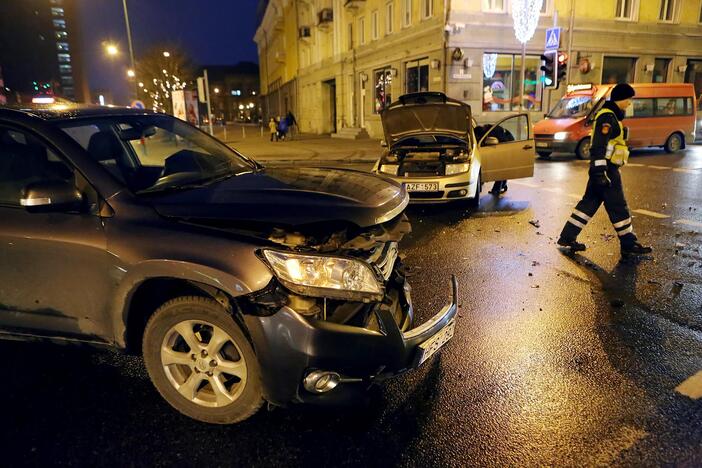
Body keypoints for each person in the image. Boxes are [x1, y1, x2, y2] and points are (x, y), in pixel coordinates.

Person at [557, 83, 652, 257]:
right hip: (606, 169)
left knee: (588, 205)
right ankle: (629, 244)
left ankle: (567, 237)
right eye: (628, 99)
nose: (629, 103)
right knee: (618, 206)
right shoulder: (607, 117)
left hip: (602, 169)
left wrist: (597, 172)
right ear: (620, 99)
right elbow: (598, 146)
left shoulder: (611, 116)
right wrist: (600, 172)